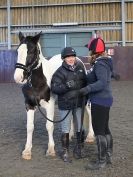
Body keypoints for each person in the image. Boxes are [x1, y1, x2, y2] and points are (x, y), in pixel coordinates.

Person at [79, 38, 113, 170]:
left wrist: (87, 89)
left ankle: (101, 161)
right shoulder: (105, 62)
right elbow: (104, 77)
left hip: (99, 100)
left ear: (94, 51)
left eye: (90, 49)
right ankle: (108, 156)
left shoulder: (100, 64)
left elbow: (102, 82)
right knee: (105, 129)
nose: (89, 51)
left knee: (99, 131)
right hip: (105, 99)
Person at [51, 47, 87, 162]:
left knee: (80, 126)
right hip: (65, 104)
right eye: (68, 57)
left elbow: (85, 83)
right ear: (64, 59)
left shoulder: (80, 68)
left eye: (72, 56)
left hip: (79, 103)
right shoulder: (59, 72)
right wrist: (66, 86)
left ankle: (79, 147)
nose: (71, 59)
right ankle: (65, 151)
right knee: (65, 128)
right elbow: (54, 88)